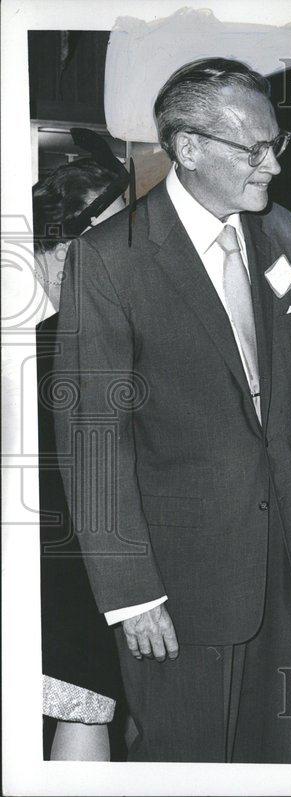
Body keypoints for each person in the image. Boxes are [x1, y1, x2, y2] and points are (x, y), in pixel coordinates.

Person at [53, 57, 291, 763]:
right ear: (189, 147)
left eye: (276, 144)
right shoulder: (111, 258)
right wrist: (131, 592)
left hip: (285, 571)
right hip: (178, 589)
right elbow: (94, 440)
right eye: (252, 149)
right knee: (187, 764)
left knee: (281, 760)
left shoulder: (287, 236)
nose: (272, 165)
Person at [34, 158, 129, 761]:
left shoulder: (50, 334)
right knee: (87, 704)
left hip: (59, 559)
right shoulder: (73, 340)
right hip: (71, 564)